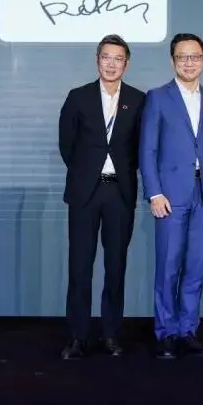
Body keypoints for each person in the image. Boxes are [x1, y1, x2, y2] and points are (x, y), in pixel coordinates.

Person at [140, 33, 203, 359]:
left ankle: (187, 331)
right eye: (182, 57)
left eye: (195, 57)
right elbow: (147, 149)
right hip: (170, 196)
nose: (189, 63)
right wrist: (154, 192)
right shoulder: (157, 97)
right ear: (173, 60)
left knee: (195, 267)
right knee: (168, 267)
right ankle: (165, 332)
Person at [57, 35, 145, 359]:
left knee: (116, 266)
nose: (111, 64)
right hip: (85, 192)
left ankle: (111, 334)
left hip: (119, 192)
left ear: (126, 64)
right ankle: (78, 337)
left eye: (118, 58)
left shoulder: (138, 100)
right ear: (97, 60)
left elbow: (140, 148)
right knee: (80, 267)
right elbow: (67, 145)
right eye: (106, 57)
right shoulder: (78, 97)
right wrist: (87, 172)